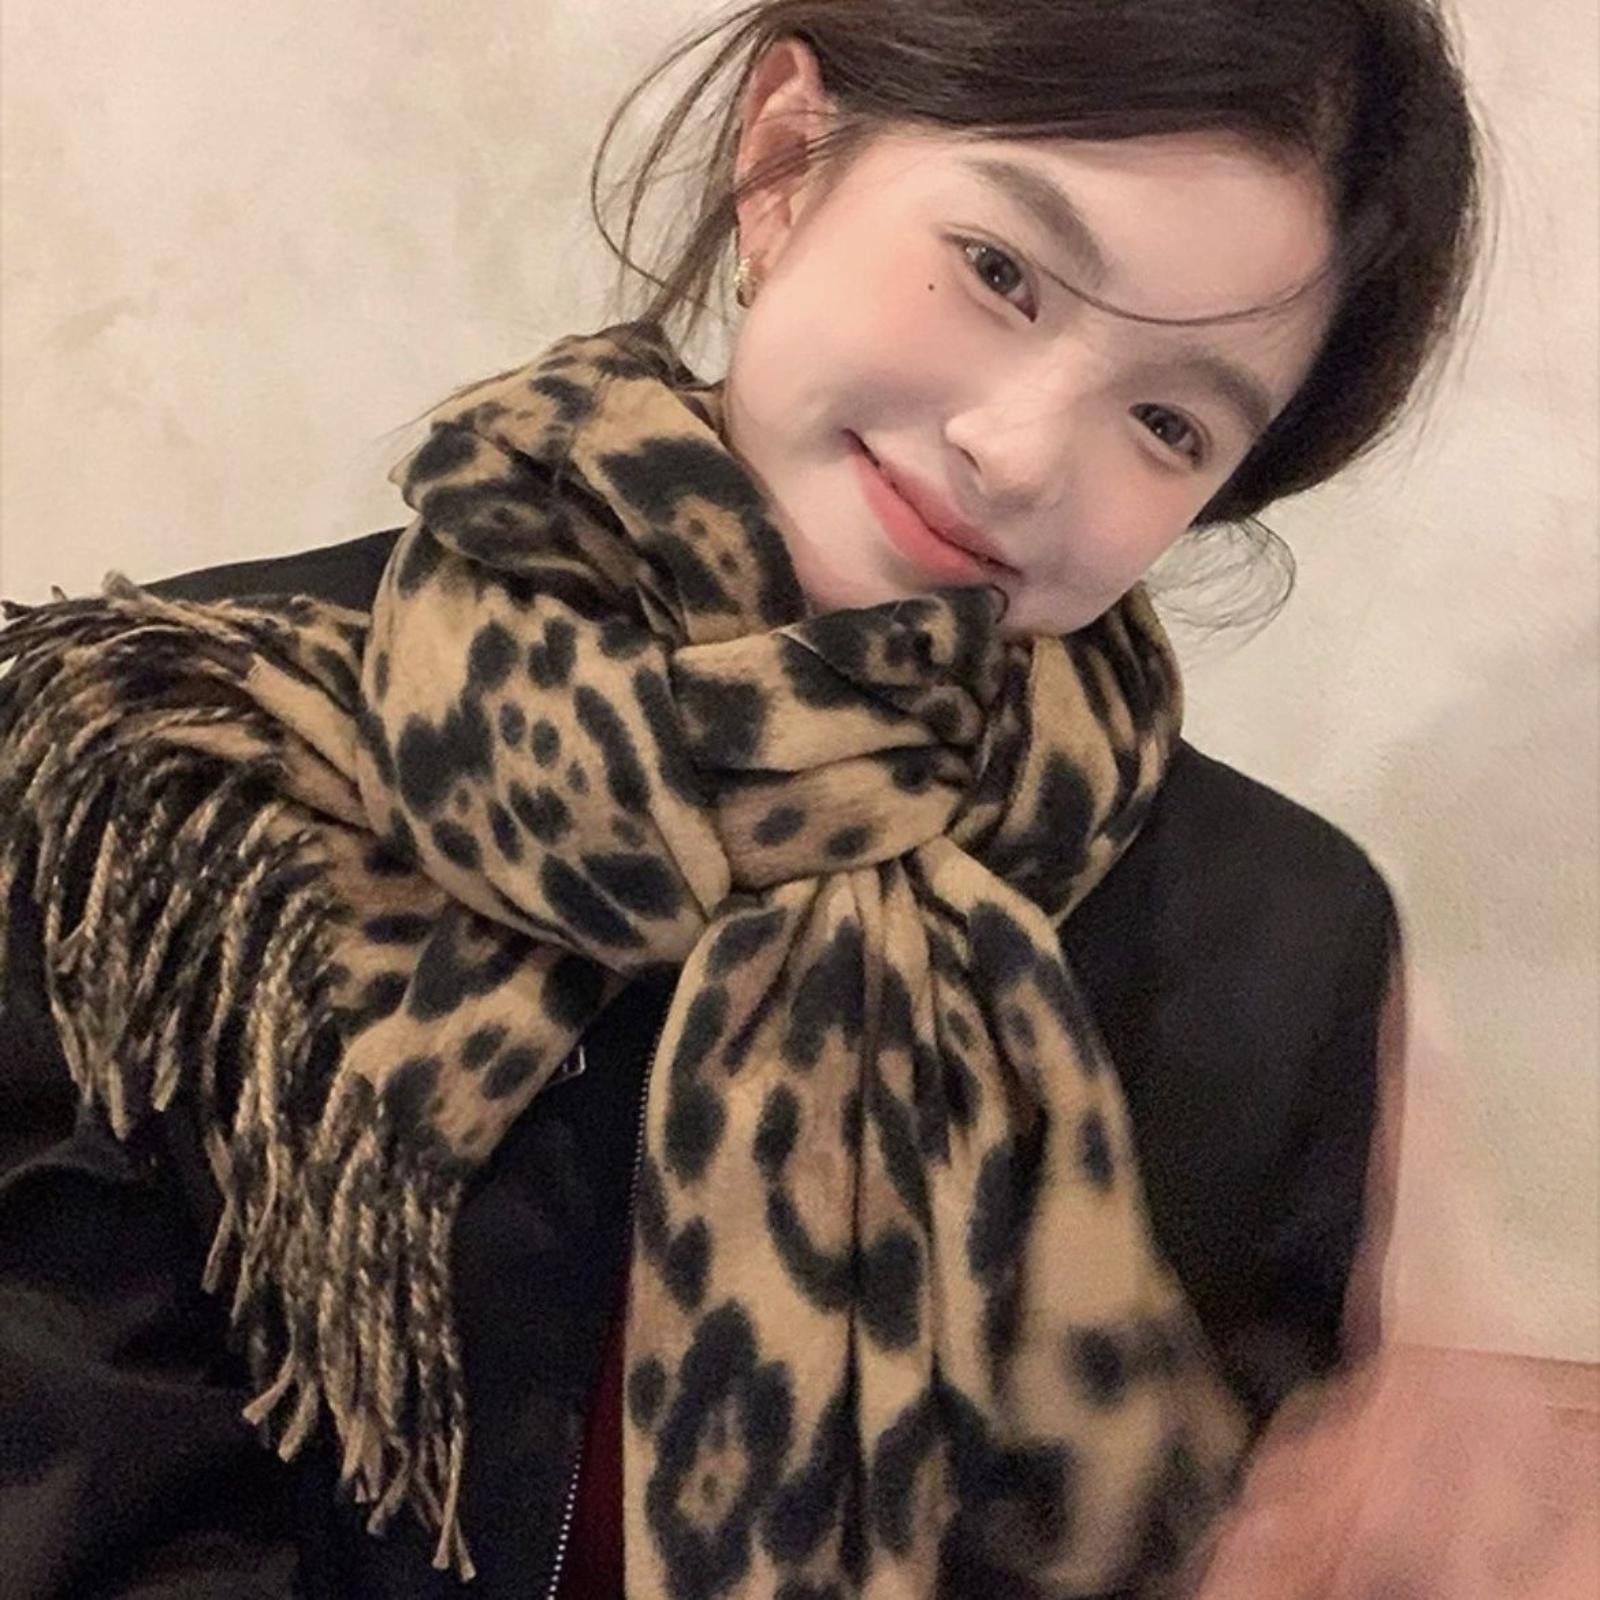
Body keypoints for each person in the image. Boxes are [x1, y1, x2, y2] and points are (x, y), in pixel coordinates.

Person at [0, 2, 1487, 1596]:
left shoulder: (1275, 948)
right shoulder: (153, 768)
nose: (1017, 453)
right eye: (1002, 272)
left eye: (1170, 423)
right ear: (781, 163)